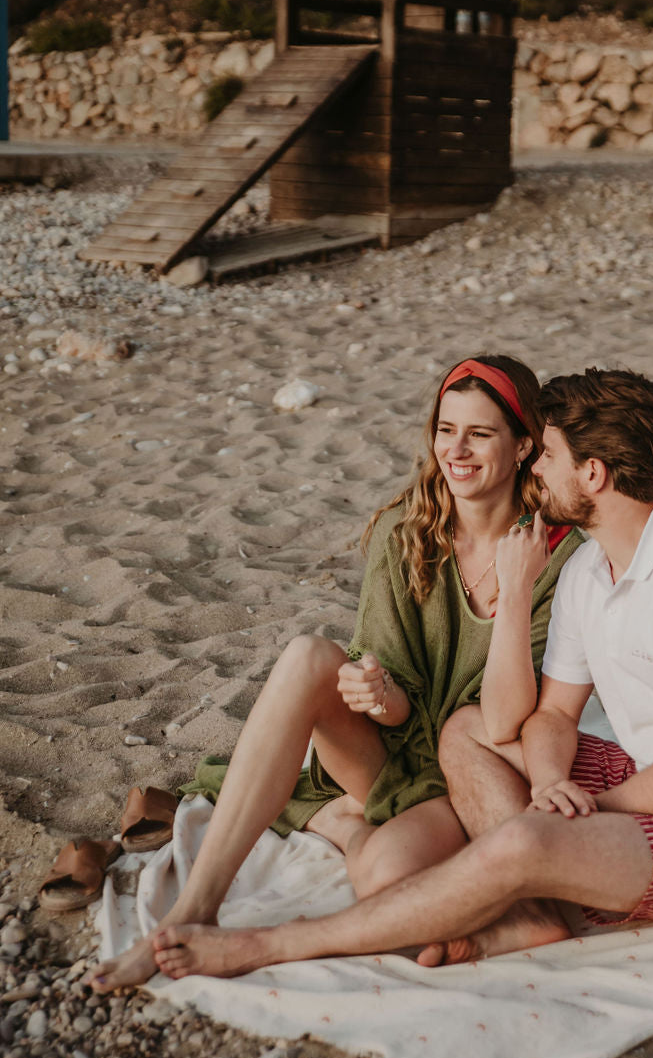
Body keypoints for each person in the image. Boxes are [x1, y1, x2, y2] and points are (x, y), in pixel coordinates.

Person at [102, 367, 653, 984]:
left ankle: (269, 945)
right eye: (447, 431)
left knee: (521, 844)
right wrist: (551, 782)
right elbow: (550, 718)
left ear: (593, 474)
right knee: (468, 730)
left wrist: (577, 811)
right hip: (641, 779)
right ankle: (531, 908)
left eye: (543, 454)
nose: (536, 470)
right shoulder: (590, 568)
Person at [87, 355, 582, 993]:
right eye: (445, 429)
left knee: (386, 884)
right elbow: (387, 686)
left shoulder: (558, 556)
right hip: (391, 749)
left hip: (468, 770)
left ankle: (345, 825)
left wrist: (515, 591)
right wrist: (377, 692)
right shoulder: (407, 530)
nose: (455, 451)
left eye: (480, 434)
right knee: (308, 656)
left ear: (523, 447)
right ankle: (193, 911)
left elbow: (504, 720)